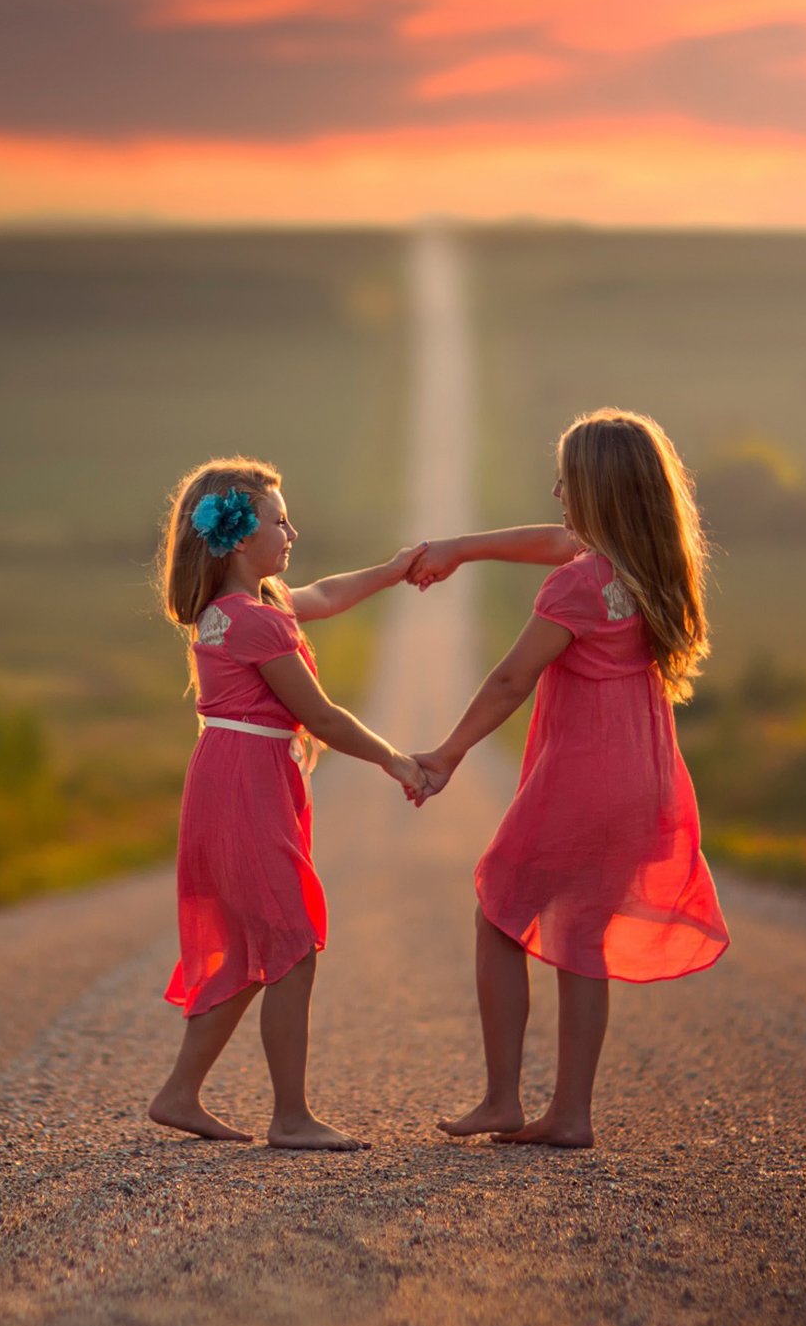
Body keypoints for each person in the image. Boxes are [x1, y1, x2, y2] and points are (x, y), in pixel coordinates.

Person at [411, 409, 730, 1147]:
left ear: (595, 492)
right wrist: (461, 548)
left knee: (499, 911)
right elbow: (558, 541)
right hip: (644, 777)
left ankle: (501, 1098)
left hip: (583, 778)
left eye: (567, 480)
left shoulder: (575, 588)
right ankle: (573, 1113)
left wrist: (449, 753)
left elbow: (510, 678)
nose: (556, 491)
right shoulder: (652, 567)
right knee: (583, 938)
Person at [149, 457, 427, 1150]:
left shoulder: (235, 611)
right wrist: (398, 759)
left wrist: (392, 570)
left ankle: (180, 1093)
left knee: (260, 941)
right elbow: (324, 716)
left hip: (230, 773)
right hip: (247, 781)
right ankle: (291, 1116)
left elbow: (327, 594)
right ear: (242, 539)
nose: (292, 530)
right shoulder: (257, 623)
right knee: (293, 941)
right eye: (279, 520)